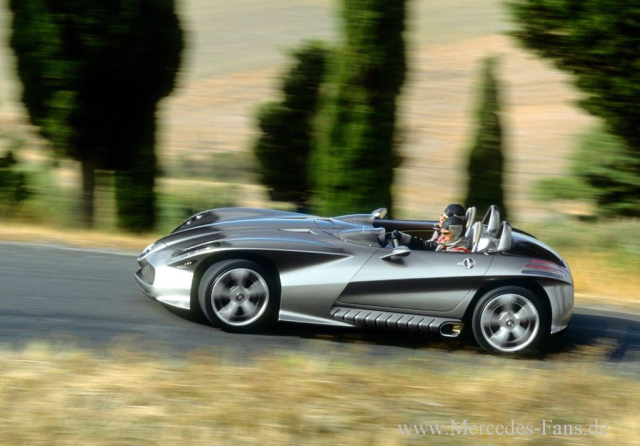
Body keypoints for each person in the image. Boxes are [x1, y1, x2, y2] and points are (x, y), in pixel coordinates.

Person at [391, 216, 469, 252]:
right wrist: (402, 236)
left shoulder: (459, 253)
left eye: (446, 234)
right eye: (442, 234)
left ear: (457, 234)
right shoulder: (447, 246)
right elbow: (424, 244)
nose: (443, 238)